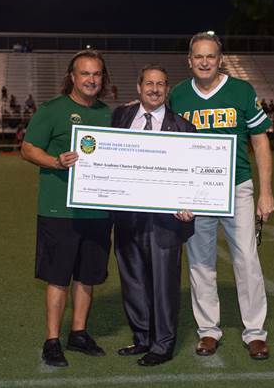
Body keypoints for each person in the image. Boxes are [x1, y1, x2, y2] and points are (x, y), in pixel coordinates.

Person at [167, 32, 274, 360]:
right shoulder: (179, 95)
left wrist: (266, 191)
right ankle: (208, 330)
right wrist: (177, 195)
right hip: (196, 191)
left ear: (220, 59)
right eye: (198, 56)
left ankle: (255, 332)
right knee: (200, 261)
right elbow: (169, 147)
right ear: (189, 61)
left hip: (236, 187)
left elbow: (260, 141)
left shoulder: (241, 91)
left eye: (210, 56)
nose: (204, 62)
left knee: (247, 258)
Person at [20, 50, 113, 368]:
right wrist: (55, 162)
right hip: (59, 210)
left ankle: (79, 332)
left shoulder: (107, 113)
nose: (91, 79)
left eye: (97, 74)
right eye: (85, 74)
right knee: (58, 276)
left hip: (98, 210)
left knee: (86, 276)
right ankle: (52, 340)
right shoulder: (52, 110)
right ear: (72, 77)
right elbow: (28, 148)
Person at [112, 64, 196, 367]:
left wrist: (190, 204)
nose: (155, 89)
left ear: (167, 89)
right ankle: (143, 337)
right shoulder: (120, 117)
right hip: (127, 216)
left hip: (165, 220)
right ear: (138, 87)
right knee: (133, 279)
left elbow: (193, 172)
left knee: (163, 283)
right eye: (149, 83)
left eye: (161, 84)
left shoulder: (183, 126)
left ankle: (163, 344)